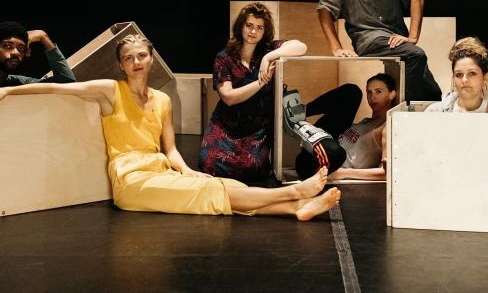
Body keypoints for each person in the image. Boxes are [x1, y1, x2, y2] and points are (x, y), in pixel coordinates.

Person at [0, 34, 341, 220]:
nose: (136, 62)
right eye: (129, 58)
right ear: (121, 64)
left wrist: (189, 170)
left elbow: (171, 150)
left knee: (218, 183)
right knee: (207, 194)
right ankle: (293, 193)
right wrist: (10, 89)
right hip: (130, 181)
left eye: (141, 56)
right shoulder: (109, 90)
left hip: (162, 169)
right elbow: (59, 87)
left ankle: (295, 209)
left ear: (150, 58)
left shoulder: (162, 101)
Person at [198, 2, 307, 181]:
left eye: (259, 27)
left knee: (251, 170)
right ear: (241, 25)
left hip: (257, 128)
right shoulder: (224, 57)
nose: (253, 32)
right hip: (226, 125)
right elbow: (229, 98)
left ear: (265, 31)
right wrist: (261, 81)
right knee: (209, 164)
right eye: (249, 25)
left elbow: (301, 46)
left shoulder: (269, 50)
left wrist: (269, 56)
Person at [285, 73, 397, 181]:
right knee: (352, 92)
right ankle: (300, 113)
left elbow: (386, 173)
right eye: (369, 92)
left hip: (323, 165)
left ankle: (298, 125)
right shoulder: (367, 121)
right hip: (322, 147)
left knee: (338, 153)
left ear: (392, 94)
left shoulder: (387, 127)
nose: (372, 97)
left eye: (378, 92)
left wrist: (343, 173)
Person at [426, 37, 488, 113]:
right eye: (459, 75)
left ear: (485, 78)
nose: (464, 80)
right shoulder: (434, 112)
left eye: (472, 73)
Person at [0, 21, 76, 86]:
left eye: (21, 49)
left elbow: (67, 83)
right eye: (8, 46)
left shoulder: (17, 82)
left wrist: (43, 36)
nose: (16, 53)